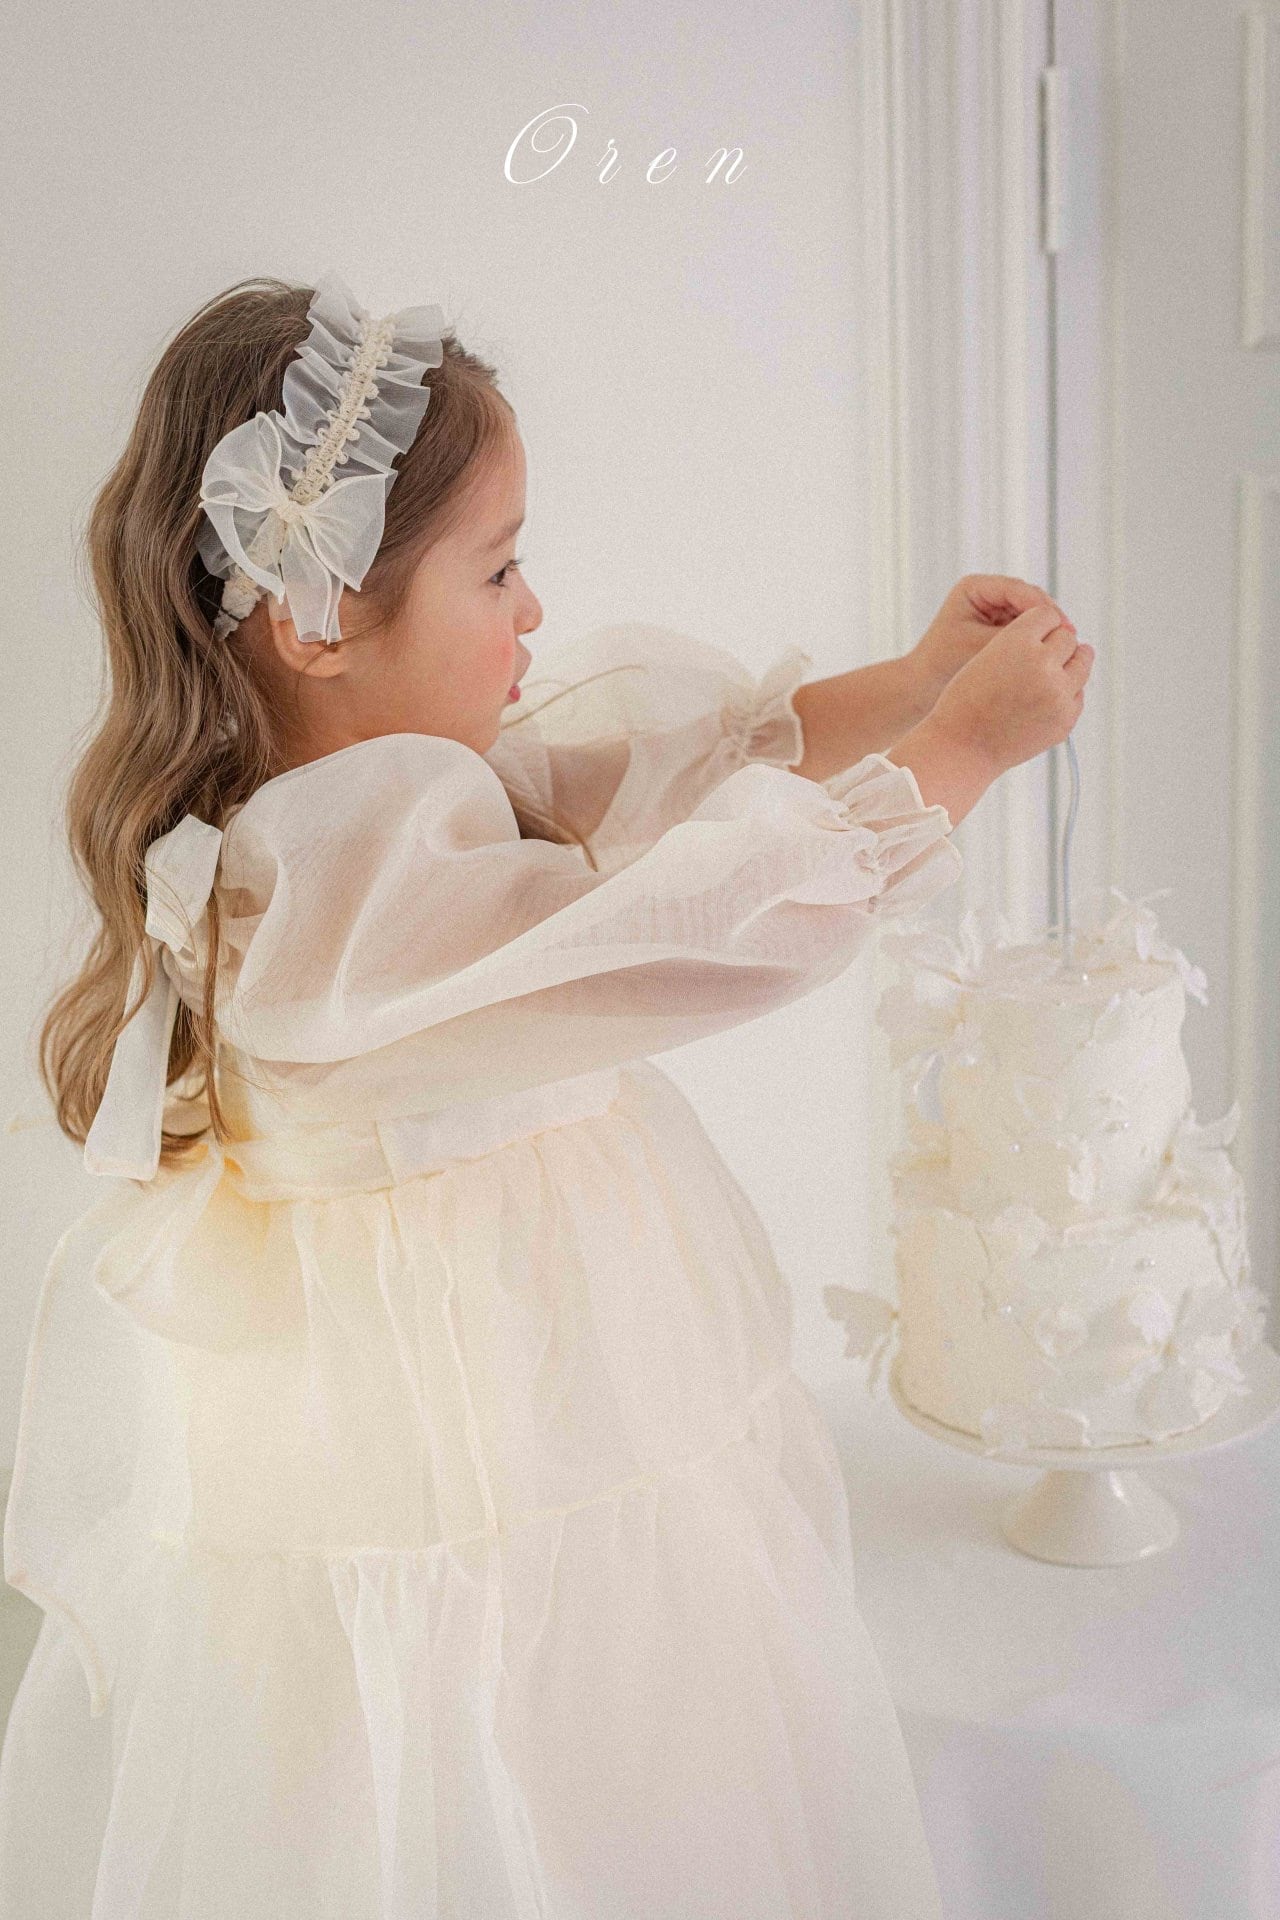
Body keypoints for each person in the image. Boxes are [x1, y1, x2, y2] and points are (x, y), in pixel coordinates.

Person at [0, 270, 1092, 1919]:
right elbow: (702, 923)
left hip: (553, 1407)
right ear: (317, 617)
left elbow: (665, 777)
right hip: (489, 1469)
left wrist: (915, 682)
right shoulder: (337, 910)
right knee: (529, 1775)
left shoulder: (373, 799)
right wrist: (966, 756)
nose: (535, 609)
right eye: (498, 567)